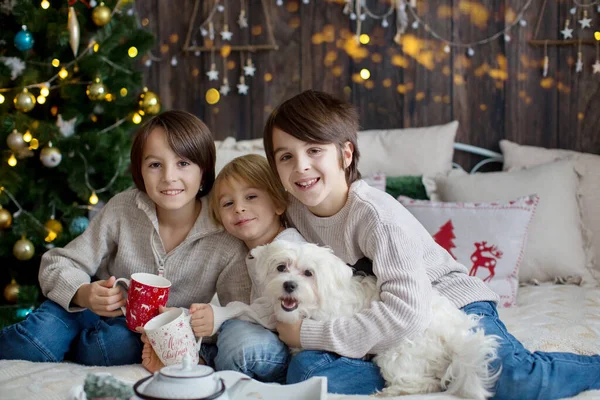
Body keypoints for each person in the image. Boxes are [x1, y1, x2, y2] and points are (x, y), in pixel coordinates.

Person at [262, 89, 600, 399]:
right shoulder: (292, 212)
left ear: (346, 154)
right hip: (390, 334)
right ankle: (427, 375)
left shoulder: (375, 217)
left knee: (510, 379)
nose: (301, 166)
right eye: (285, 157)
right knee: (309, 374)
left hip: (451, 305)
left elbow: (407, 312)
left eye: (314, 150)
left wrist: (308, 335)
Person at [0, 110, 251, 366]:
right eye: (155, 165)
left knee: (113, 345)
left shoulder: (225, 231)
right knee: (37, 338)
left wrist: (191, 321)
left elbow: (238, 314)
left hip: (134, 333)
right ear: (140, 171)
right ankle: (56, 340)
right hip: (85, 310)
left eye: (183, 163)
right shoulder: (124, 208)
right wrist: (83, 293)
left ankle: (71, 347)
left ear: (204, 171)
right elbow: (58, 262)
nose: (168, 177)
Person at [141, 154, 303, 383]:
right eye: (228, 203)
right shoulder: (251, 254)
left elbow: (271, 313)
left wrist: (217, 315)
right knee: (228, 332)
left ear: (278, 203)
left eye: (251, 197)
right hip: (270, 341)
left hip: (293, 351)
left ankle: (202, 368)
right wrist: (185, 318)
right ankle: (196, 362)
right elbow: (247, 311)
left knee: (237, 336)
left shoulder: (288, 250)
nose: (239, 208)